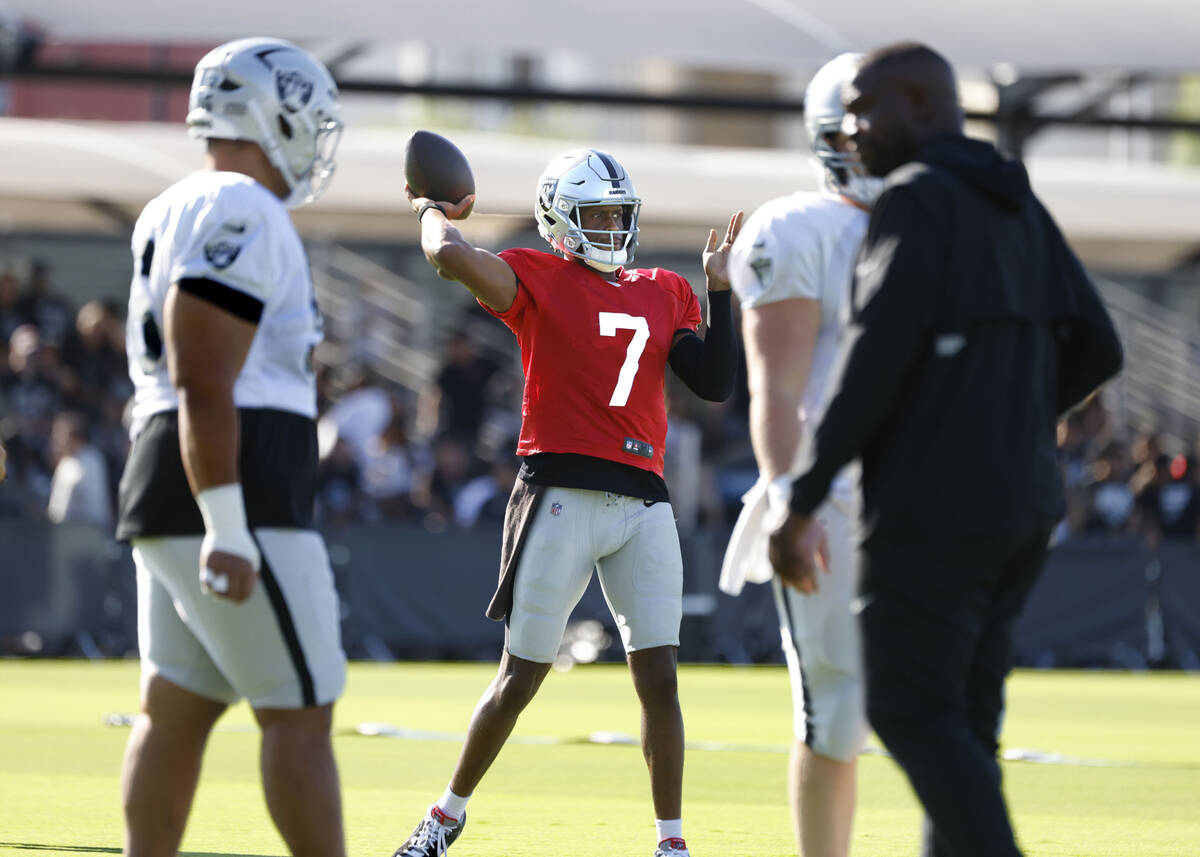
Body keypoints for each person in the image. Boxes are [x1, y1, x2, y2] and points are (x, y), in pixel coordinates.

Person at [768, 43, 1123, 857]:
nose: (853, 128)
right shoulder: (1018, 204)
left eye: (866, 107)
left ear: (923, 106)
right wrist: (1015, 417)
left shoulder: (917, 199)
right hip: (1025, 504)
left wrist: (803, 498)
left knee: (907, 710)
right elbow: (1099, 347)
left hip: (934, 510)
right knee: (966, 724)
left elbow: (873, 360)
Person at [393, 148, 742, 857]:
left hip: (644, 501)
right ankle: (444, 817)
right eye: (598, 215)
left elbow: (713, 382)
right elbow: (452, 258)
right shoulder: (537, 273)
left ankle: (671, 843)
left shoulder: (664, 288)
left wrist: (721, 294)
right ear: (561, 222)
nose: (613, 227)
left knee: (659, 677)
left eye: (620, 213)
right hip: (559, 492)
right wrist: (430, 209)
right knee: (520, 673)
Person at [113, 37, 349, 857]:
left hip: (169, 466)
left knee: (174, 706)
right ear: (272, 113)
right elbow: (205, 378)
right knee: (301, 707)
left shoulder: (175, 205)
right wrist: (228, 520)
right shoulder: (240, 207)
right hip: (232, 477)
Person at [718, 53, 879, 857]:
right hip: (837, 494)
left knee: (943, 710)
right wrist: (790, 496)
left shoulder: (948, 220)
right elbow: (775, 388)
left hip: (927, 497)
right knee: (837, 706)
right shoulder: (797, 226)